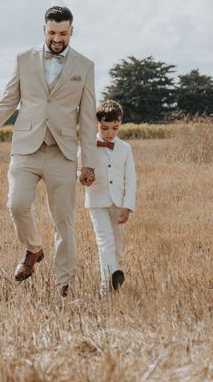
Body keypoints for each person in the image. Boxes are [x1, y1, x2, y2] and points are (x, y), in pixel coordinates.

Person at [0, 6, 96, 297]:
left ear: (72, 31)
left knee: (63, 221)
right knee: (16, 205)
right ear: (43, 29)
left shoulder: (85, 66)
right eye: (52, 32)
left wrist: (88, 163)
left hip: (63, 152)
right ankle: (33, 248)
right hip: (26, 149)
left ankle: (64, 285)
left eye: (63, 33)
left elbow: (87, 117)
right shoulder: (23, 59)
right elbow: (6, 104)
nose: (57, 39)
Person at [84, 100, 136, 294]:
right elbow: (79, 170)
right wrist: (84, 178)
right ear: (97, 124)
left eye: (115, 128)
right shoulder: (88, 144)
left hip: (118, 202)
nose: (110, 133)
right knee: (104, 240)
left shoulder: (125, 148)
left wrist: (127, 206)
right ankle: (106, 285)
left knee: (116, 244)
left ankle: (111, 279)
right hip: (96, 200)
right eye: (105, 128)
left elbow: (131, 179)